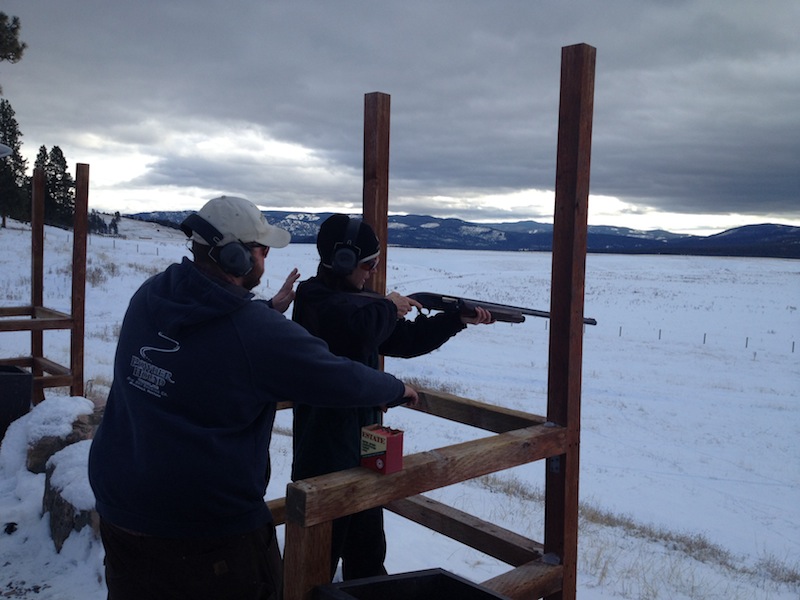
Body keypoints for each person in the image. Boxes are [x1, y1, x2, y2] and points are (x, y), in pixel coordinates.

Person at [87, 196, 418, 600]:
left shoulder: (153, 294)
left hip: (121, 509)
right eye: (261, 250)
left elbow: (213, 342)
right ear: (236, 257)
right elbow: (335, 376)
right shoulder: (252, 328)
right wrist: (395, 389)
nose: (265, 258)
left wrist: (270, 309)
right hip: (206, 529)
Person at [291, 213, 493, 581]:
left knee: (368, 555)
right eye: (368, 265)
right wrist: (388, 306)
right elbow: (357, 332)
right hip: (324, 448)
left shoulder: (362, 305)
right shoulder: (314, 298)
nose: (371, 273)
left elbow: (404, 341)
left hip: (367, 443)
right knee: (315, 562)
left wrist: (455, 320)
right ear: (343, 261)